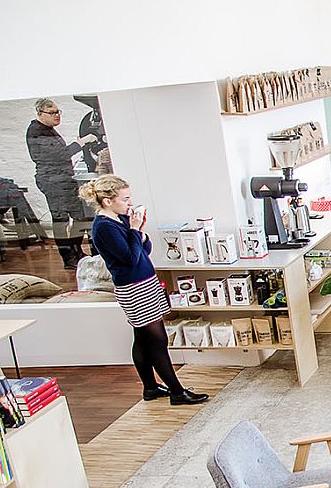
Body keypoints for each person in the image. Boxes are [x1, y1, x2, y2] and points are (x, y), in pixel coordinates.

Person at [83, 175, 208, 406]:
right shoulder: (103, 228)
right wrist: (133, 230)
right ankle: (177, 391)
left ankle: (150, 388)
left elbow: (145, 249)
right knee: (157, 340)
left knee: (142, 338)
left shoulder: (120, 219)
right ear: (108, 201)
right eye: (125, 198)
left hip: (146, 283)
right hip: (133, 288)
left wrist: (138, 229)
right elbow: (131, 258)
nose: (130, 203)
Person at [26, 98, 95, 269]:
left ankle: (77, 253)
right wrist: (82, 142)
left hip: (62, 179)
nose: (57, 115)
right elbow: (60, 154)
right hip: (53, 182)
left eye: (58, 112)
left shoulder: (47, 130)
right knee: (61, 219)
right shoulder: (37, 131)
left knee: (79, 217)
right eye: (52, 113)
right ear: (40, 114)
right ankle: (69, 259)